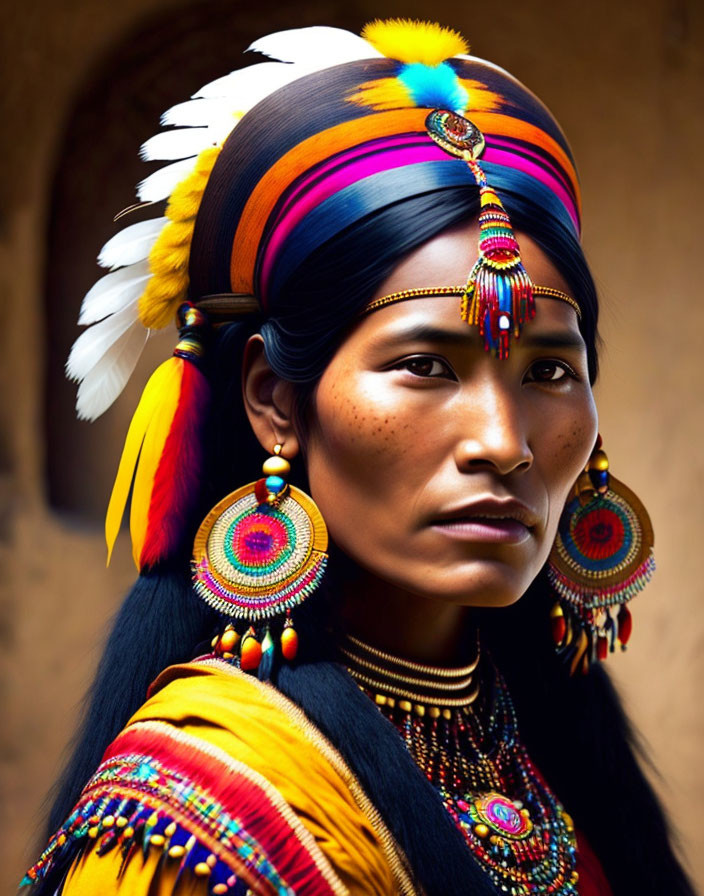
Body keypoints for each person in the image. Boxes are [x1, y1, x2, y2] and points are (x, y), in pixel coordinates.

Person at [22, 18, 694, 896]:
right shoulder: (194, 820)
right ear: (275, 402)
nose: (503, 441)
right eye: (424, 365)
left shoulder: (539, 745)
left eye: (551, 369)